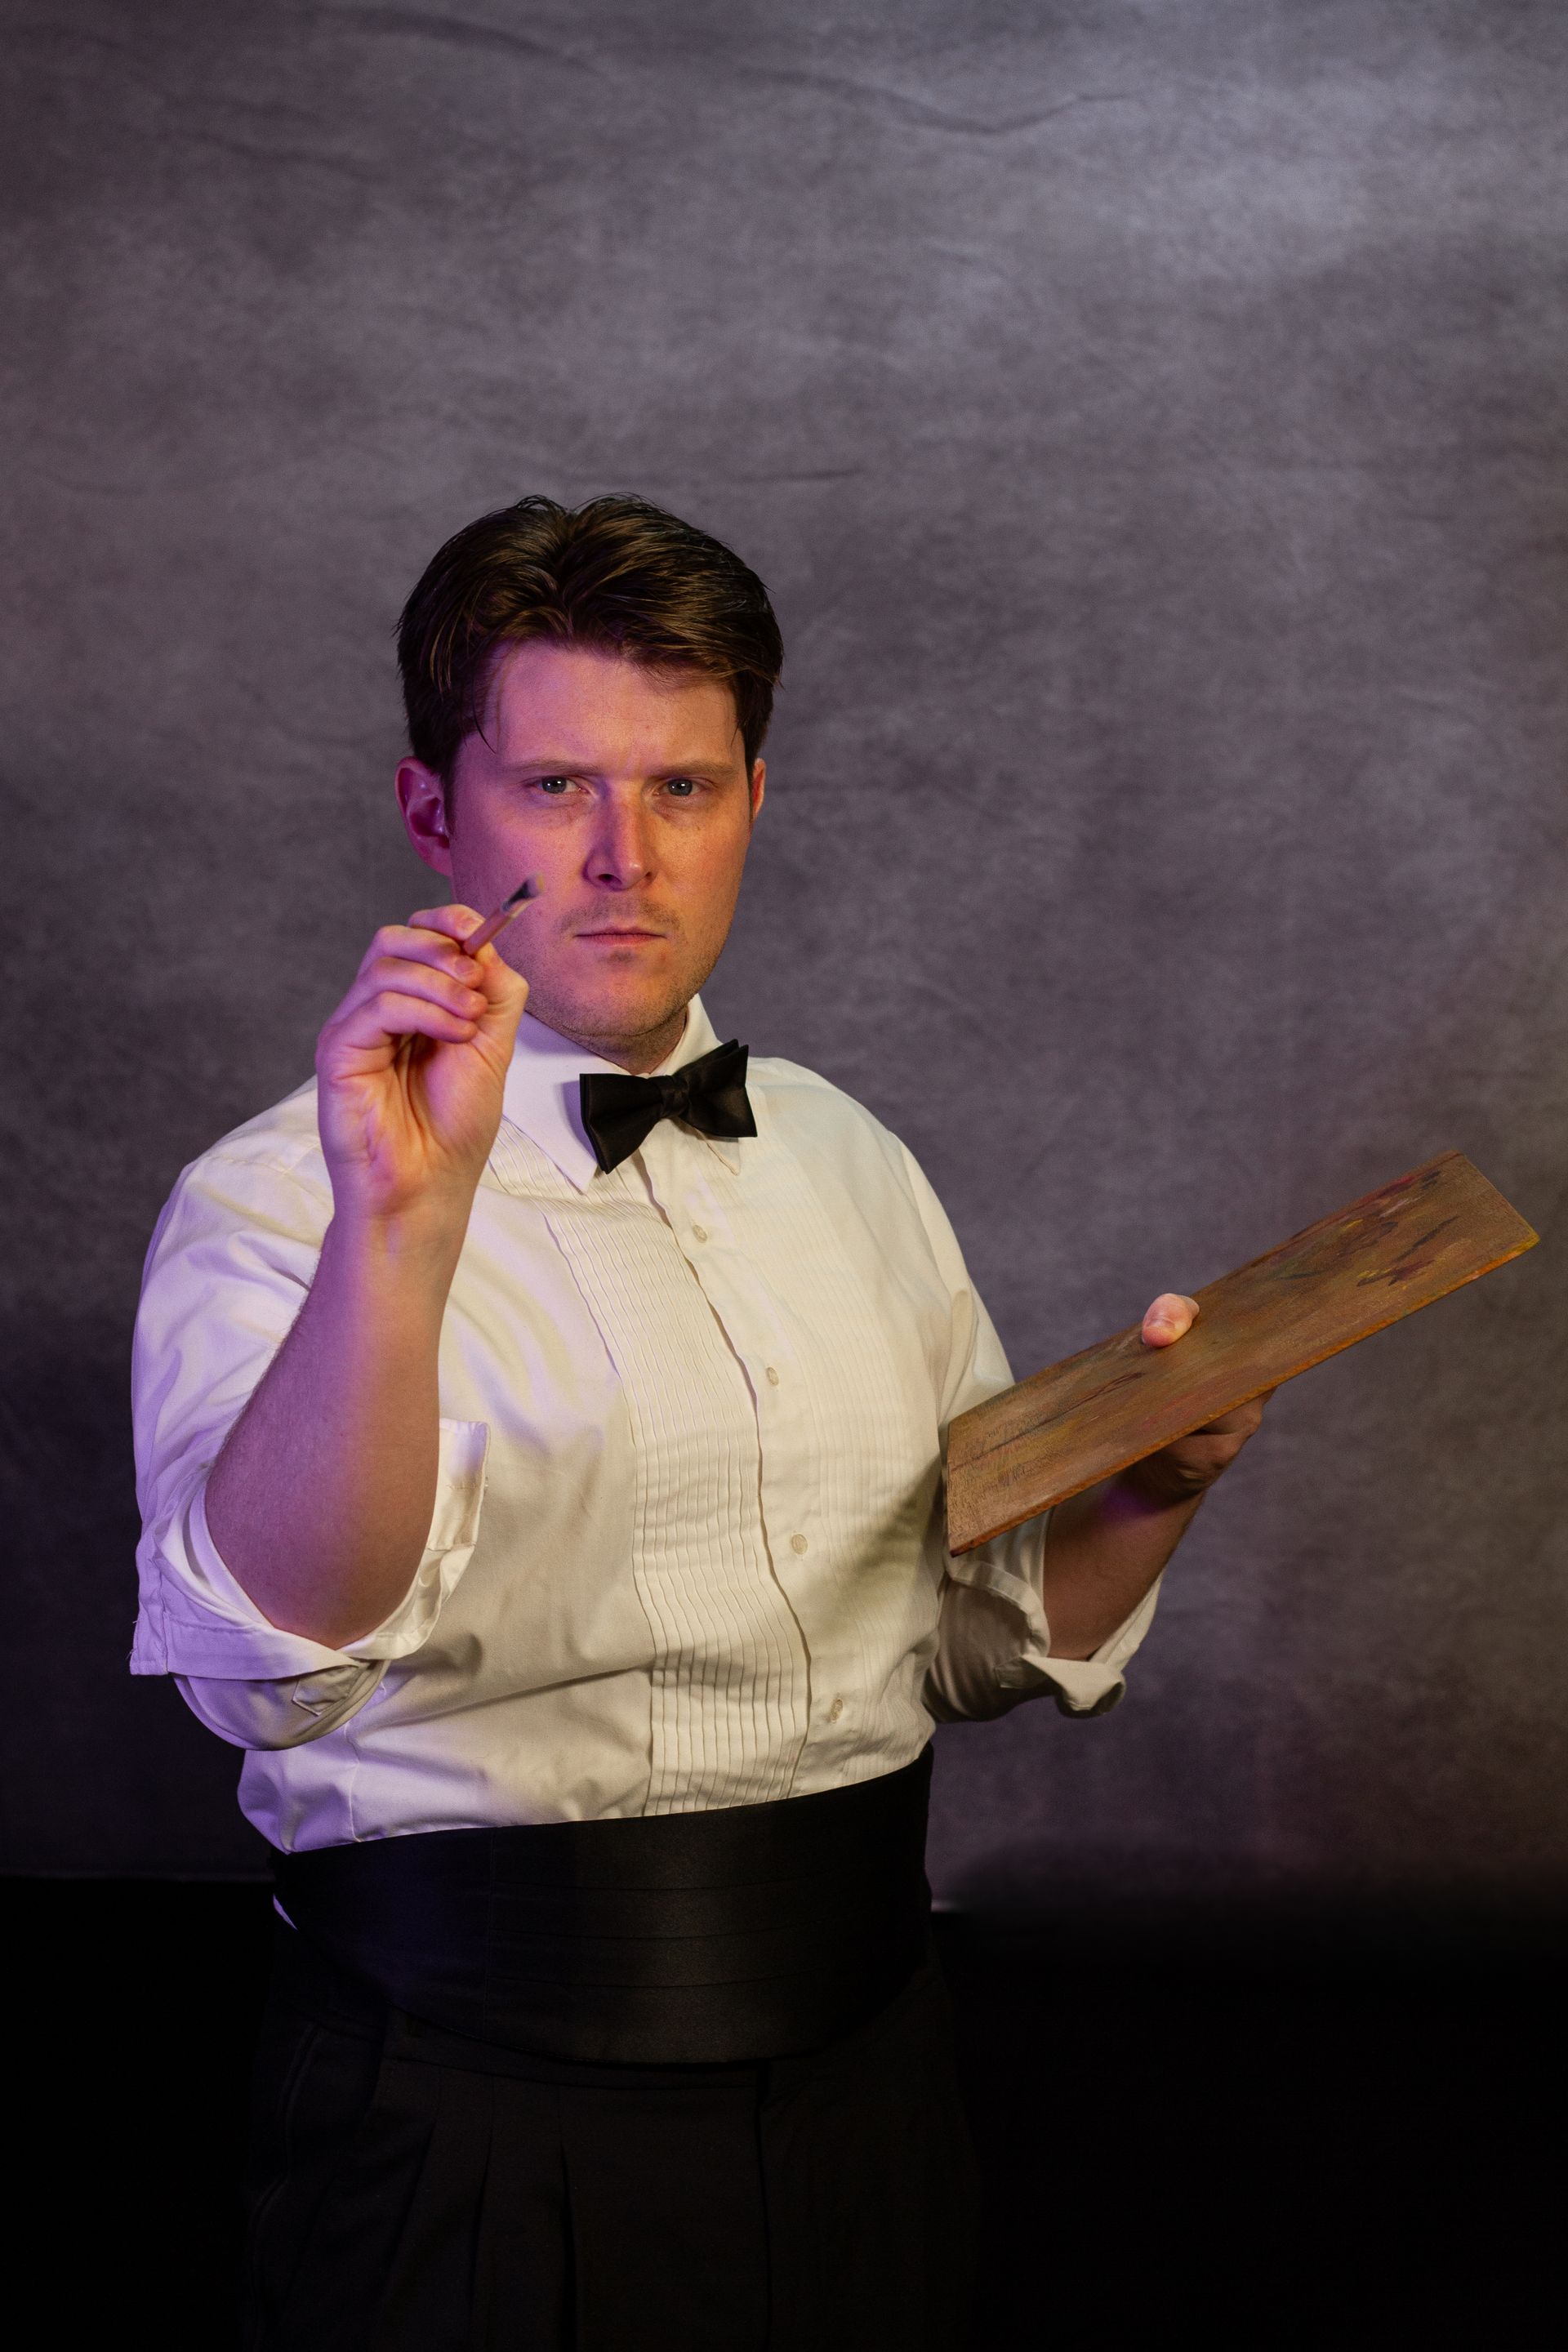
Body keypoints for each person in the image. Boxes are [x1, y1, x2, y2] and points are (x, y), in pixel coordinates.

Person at [131, 495, 1267, 2351]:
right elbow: (271, 1670)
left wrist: (1155, 1476)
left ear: (755, 801)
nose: (622, 859)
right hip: (464, 2120)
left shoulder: (851, 1157)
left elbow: (977, 1644)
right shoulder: (270, 1203)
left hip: (870, 2100)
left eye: (684, 788)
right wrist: (400, 1234)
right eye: (557, 785)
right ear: (438, 814)